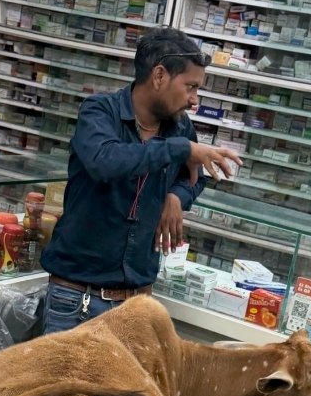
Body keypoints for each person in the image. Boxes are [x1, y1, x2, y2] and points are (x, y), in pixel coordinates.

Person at [40, 27, 242, 335]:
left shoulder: (179, 127)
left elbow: (194, 177)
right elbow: (105, 161)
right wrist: (180, 149)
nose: (194, 100)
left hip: (136, 304)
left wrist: (176, 197)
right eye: (190, 87)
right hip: (76, 298)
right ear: (159, 76)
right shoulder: (100, 111)